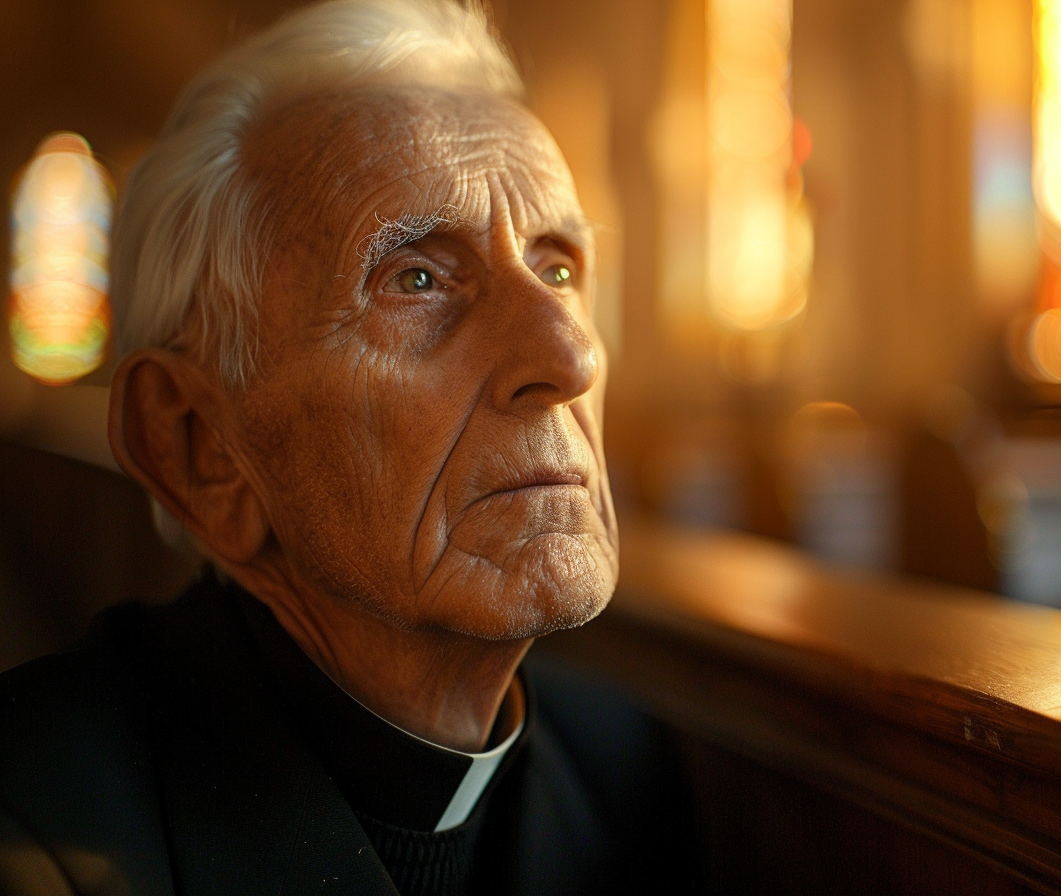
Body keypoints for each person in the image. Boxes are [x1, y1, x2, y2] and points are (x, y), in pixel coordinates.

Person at [0, 1, 695, 893]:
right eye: (416, 278)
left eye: (557, 268)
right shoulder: (37, 823)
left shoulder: (624, 773)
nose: (572, 356)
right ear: (201, 447)